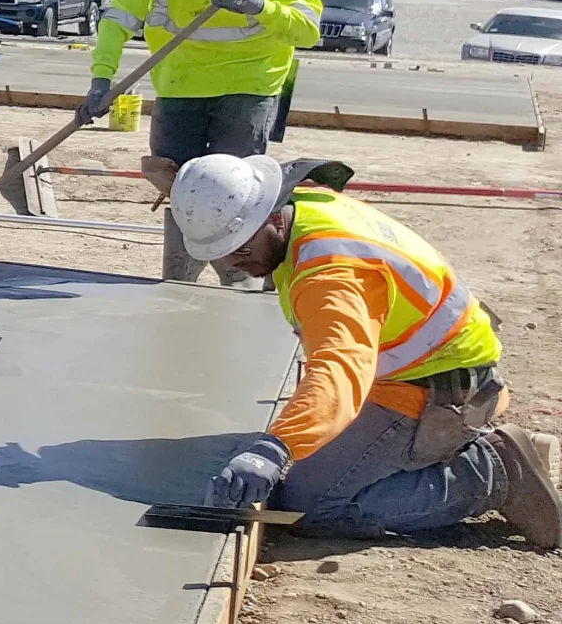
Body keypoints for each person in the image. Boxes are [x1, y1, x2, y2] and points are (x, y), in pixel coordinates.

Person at [170, 154, 560, 547]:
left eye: (241, 248)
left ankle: (490, 472)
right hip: (415, 366)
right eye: (221, 250)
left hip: (438, 387)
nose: (233, 261)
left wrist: (274, 448)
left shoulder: (330, 275)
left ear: (272, 217)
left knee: (309, 505)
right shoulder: (304, 205)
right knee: (301, 459)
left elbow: (340, 369)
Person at [79, 0, 322, 283]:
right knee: (179, 184)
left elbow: (308, 29)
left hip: (250, 84)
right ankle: (178, 279)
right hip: (179, 84)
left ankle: (242, 282)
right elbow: (119, 16)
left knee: (235, 191)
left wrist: (258, 6)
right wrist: (102, 79)